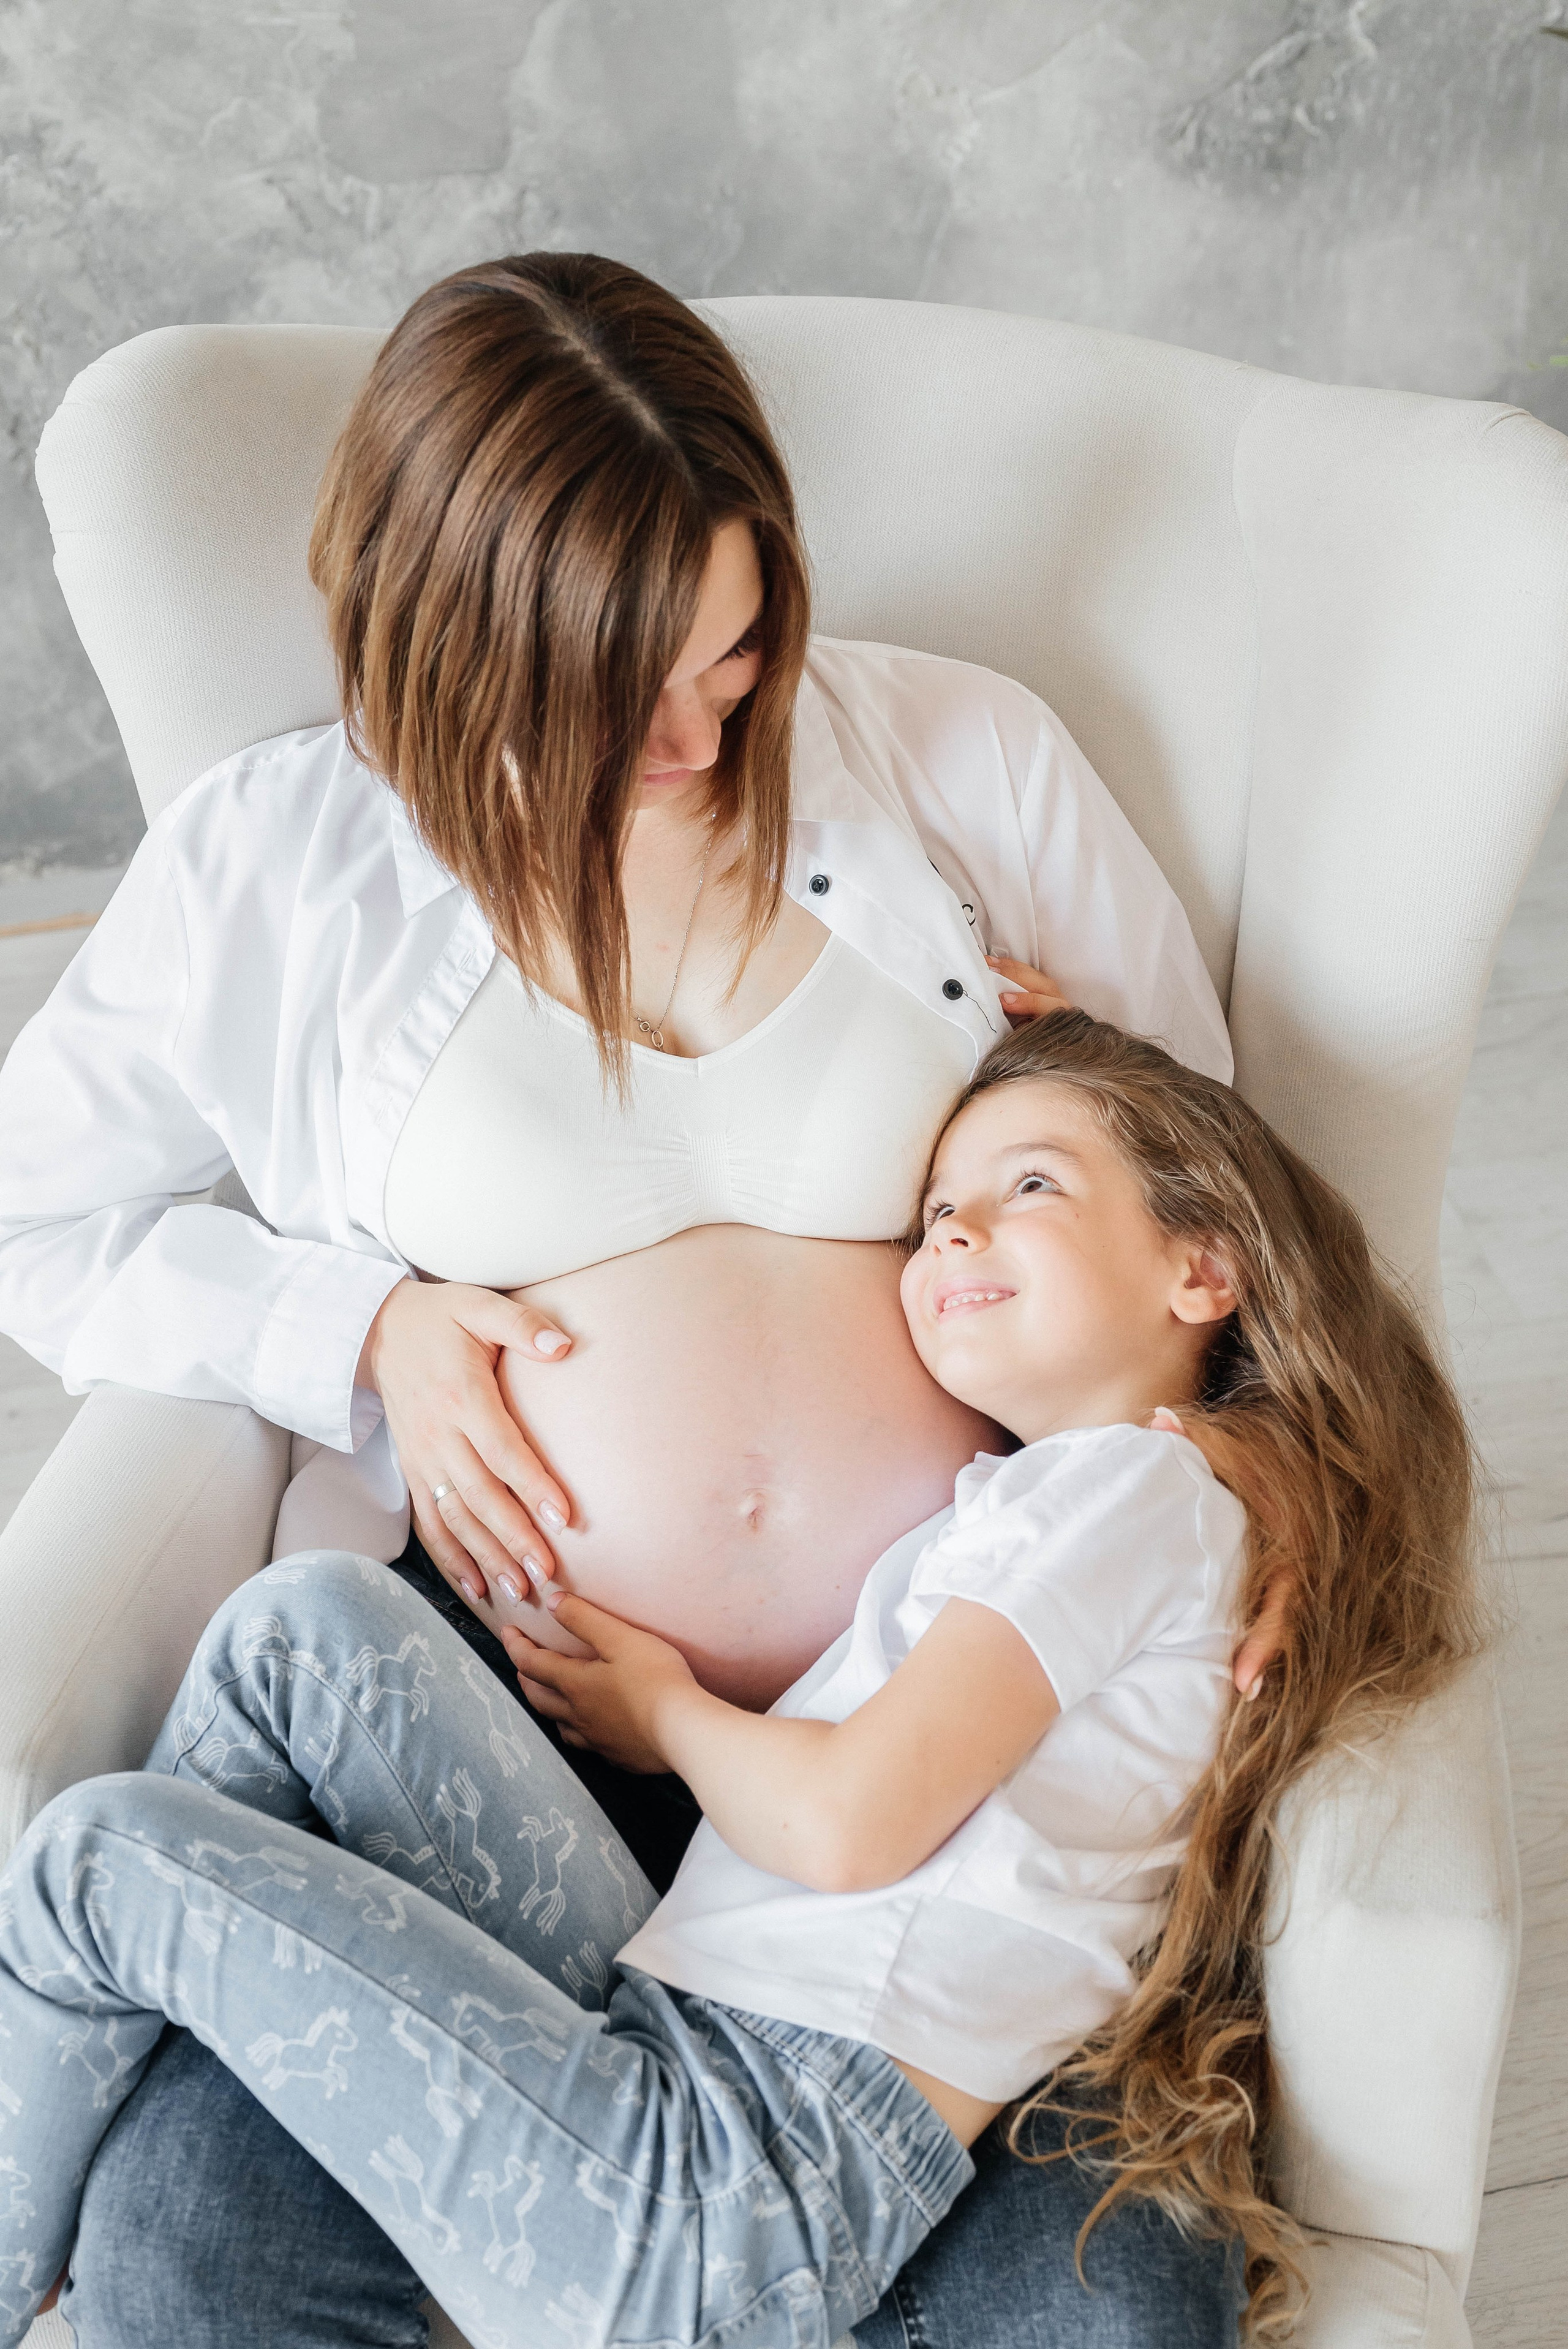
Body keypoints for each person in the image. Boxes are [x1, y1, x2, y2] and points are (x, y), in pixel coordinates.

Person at [0, 253, 1281, 2342]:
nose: (697, 730)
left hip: (933, 1800)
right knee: (190, 2244)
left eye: (737, 647)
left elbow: (1213, 1204)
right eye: (620, 684)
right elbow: (30, 1212)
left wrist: (1274, 1477)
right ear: (446, 649)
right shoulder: (283, 859)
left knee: (1118, 2306)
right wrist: (358, 1325)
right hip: (504, 1731)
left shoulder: (963, 761)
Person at [0, 1011, 1480, 2349]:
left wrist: (668, 1717)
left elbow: (851, 1822)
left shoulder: (1134, 1501)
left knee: (92, 1862)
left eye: (1025, 1186)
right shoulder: (1113, 1502)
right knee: (304, 1634)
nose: (954, 1232)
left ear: (1201, 1267)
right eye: (930, 1212)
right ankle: (165, 2032)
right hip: (699, 2040)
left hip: (735, 2184)